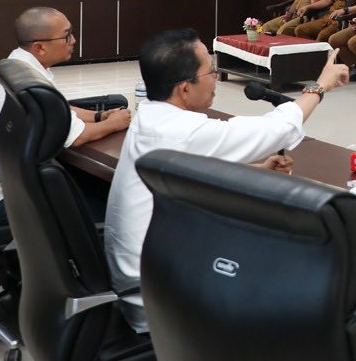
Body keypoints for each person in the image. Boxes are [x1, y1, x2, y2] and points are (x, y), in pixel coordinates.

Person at [106, 29, 343, 331]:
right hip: (164, 299)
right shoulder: (184, 131)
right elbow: (275, 130)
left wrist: (256, 170)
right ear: (184, 89)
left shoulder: (151, 116)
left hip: (145, 273)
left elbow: (191, 176)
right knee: (288, 256)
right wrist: (320, 85)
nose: (216, 76)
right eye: (211, 71)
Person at [0, 7, 131, 221]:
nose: (73, 40)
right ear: (40, 47)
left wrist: (99, 116)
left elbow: (60, 109)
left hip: (0, 188)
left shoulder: (17, 68)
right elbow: (78, 137)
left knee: (94, 186)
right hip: (5, 201)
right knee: (115, 206)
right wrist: (115, 123)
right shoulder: (31, 85)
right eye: (66, 35)